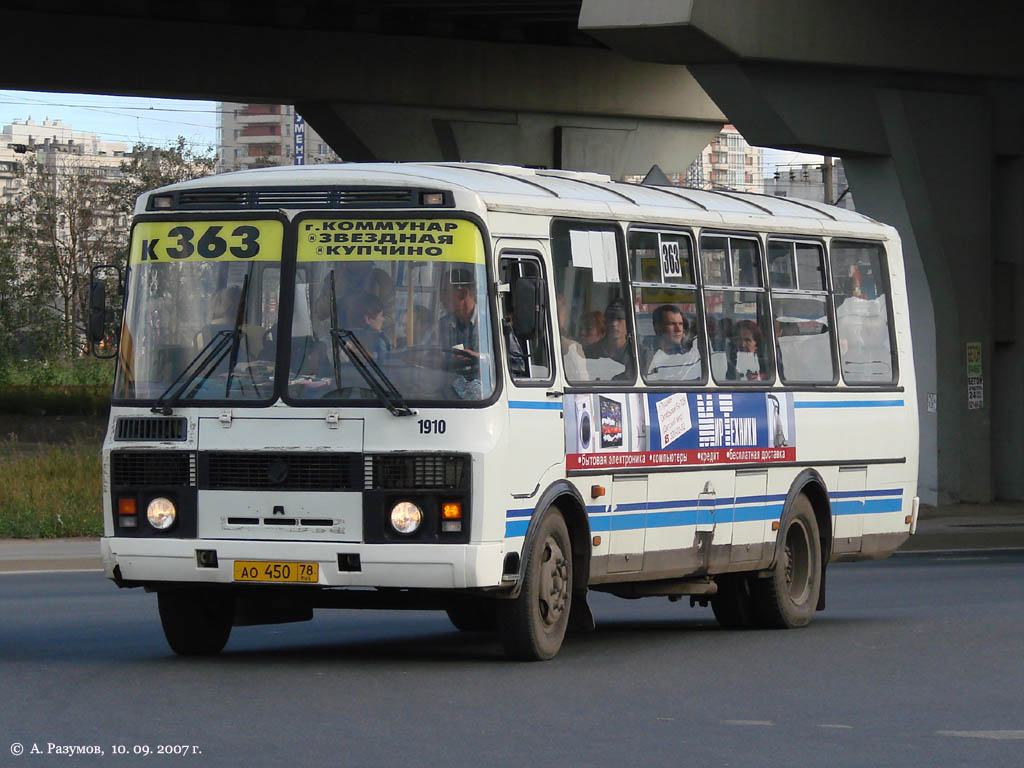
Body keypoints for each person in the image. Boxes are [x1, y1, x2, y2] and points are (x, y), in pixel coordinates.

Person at [642, 304, 700, 381]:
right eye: (671, 324)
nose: (678, 329)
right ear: (658, 327)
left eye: (680, 324)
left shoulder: (692, 355)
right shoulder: (643, 354)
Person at [584, 299, 631, 365]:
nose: (614, 323)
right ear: (605, 321)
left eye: (619, 318)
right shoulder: (591, 353)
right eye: (611, 318)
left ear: (628, 323)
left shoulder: (638, 355)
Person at [348, 292, 391, 364]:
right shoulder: (379, 340)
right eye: (381, 315)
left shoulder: (346, 336)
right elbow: (384, 361)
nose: (383, 319)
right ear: (367, 319)